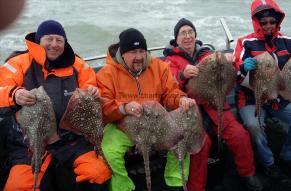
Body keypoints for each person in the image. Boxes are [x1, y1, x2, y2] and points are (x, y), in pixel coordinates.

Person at [0, 19, 112, 191]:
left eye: (59, 40)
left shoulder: (78, 64)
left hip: (70, 137)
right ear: (38, 40)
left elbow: (92, 85)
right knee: (19, 186)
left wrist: (92, 91)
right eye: (49, 39)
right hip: (30, 140)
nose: (54, 44)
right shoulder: (18, 63)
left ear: (65, 42)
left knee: (98, 173)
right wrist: (13, 94)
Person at [164, 18, 263, 191]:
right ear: (176, 39)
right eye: (183, 33)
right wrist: (182, 75)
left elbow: (232, 73)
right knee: (201, 146)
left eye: (190, 32)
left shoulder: (208, 54)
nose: (187, 36)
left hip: (215, 105)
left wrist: (230, 60)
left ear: (195, 35)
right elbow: (167, 87)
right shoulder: (169, 61)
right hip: (190, 112)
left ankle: (248, 174)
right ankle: (197, 188)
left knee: (240, 135)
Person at [96, 28, 196, 191]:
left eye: (142, 51)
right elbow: (104, 107)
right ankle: (123, 186)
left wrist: (181, 99)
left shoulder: (160, 67)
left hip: (156, 123)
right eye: (133, 52)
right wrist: (123, 108)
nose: (139, 57)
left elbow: (170, 93)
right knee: (108, 150)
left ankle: (175, 182)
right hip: (123, 126)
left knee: (182, 135)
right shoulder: (107, 73)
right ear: (122, 54)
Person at [233, 0, 291, 178]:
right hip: (251, 97)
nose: (268, 26)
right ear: (257, 22)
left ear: (277, 21)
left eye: (272, 21)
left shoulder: (289, 42)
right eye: (263, 22)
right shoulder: (245, 43)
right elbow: (235, 74)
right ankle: (268, 162)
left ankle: (290, 156)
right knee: (253, 126)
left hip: (280, 97)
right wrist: (242, 68)